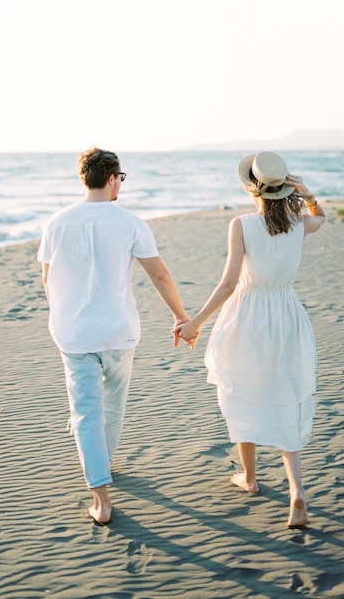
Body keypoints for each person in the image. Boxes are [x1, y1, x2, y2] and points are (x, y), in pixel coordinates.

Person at [37, 146, 190, 526]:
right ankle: (103, 463)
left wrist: (64, 316)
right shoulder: (131, 222)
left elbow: (48, 281)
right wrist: (181, 316)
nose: (120, 184)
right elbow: (160, 275)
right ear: (111, 179)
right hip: (119, 332)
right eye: (120, 178)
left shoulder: (56, 223)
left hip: (75, 335)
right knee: (114, 405)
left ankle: (101, 497)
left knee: (85, 411)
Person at [174, 151, 325, 528]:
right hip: (287, 316)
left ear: (252, 188)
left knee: (242, 391)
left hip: (249, 317)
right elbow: (320, 218)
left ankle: (251, 478)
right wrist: (307, 193)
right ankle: (297, 493)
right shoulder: (297, 223)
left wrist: (196, 322)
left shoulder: (241, 224)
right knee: (286, 396)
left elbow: (228, 284)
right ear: (284, 189)